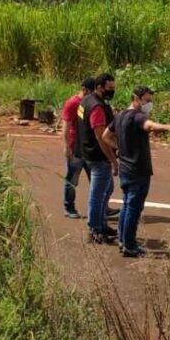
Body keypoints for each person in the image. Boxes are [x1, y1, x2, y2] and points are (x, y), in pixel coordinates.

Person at [102, 86, 170, 257]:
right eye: (147, 101)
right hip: (138, 170)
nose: (149, 105)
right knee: (134, 208)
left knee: (127, 205)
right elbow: (149, 126)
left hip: (125, 169)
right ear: (136, 98)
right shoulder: (137, 117)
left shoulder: (120, 116)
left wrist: (121, 149)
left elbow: (106, 136)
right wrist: (168, 127)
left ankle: (123, 241)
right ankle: (129, 244)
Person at [78, 73, 119, 243]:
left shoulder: (85, 101)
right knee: (98, 195)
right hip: (98, 157)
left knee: (106, 190)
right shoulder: (97, 107)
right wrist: (113, 160)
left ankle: (101, 225)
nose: (112, 91)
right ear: (100, 87)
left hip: (87, 153)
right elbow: (101, 137)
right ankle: (95, 229)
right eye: (109, 88)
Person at [61, 78, 93, 219]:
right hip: (75, 147)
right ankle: (69, 207)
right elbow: (66, 127)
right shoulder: (73, 103)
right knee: (72, 179)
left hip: (88, 147)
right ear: (84, 89)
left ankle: (102, 208)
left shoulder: (89, 103)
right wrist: (67, 147)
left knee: (96, 179)